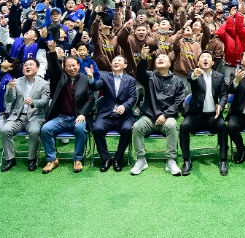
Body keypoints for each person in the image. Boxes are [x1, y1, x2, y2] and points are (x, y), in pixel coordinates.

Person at [41, 40, 95, 174]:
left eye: (74, 65)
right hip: (60, 117)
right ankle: (52, 159)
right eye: (68, 66)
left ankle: (78, 159)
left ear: (78, 65)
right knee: (45, 129)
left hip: (77, 117)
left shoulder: (85, 79)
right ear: (64, 67)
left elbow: (90, 99)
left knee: (80, 129)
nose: (71, 68)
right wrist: (52, 52)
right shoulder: (61, 77)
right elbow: (54, 67)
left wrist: (83, 114)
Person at [130, 45, 185, 176]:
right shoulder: (149, 77)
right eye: (158, 58)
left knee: (172, 126)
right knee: (137, 127)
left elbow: (178, 102)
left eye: (164, 58)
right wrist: (143, 58)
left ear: (169, 64)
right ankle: (141, 159)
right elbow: (139, 73)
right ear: (154, 64)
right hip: (149, 117)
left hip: (167, 118)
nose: (160, 59)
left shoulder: (177, 81)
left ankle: (171, 160)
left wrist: (165, 115)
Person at [180, 51, 229, 176]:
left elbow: (224, 94)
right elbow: (191, 78)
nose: (205, 59)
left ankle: (223, 160)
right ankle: (186, 160)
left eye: (208, 57)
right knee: (184, 126)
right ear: (198, 62)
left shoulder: (219, 76)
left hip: (213, 116)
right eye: (202, 57)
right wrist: (194, 75)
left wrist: (221, 105)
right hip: (196, 116)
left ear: (212, 62)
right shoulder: (194, 73)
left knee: (223, 126)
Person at [0, 58, 50, 172]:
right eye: (26, 65)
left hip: (36, 116)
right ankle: (10, 159)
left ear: (37, 68)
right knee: (5, 130)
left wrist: (34, 102)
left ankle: (32, 159)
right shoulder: (16, 81)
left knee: (33, 131)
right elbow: (8, 100)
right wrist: (10, 89)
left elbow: (45, 100)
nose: (27, 67)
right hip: (18, 116)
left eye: (31, 65)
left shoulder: (44, 83)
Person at [88, 56, 137, 172]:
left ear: (125, 65)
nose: (116, 62)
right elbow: (95, 86)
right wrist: (90, 77)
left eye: (119, 60)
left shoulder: (130, 80)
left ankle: (118, 159)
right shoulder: (105, 77)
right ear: (111, 65)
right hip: (106, 115)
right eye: (114, 61)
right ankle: (106, 159)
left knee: (127, 129)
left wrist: (125, 106)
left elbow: (133, 97)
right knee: (97, 129)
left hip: (124, 116)